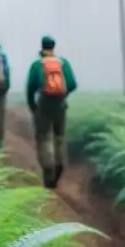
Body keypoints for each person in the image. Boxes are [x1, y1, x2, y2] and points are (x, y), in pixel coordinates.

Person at [25, 35, 77, 188]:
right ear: (54, 47)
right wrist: (63, 96)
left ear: (42, 46)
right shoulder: (63, 63)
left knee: (44, 138)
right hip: (60, 105)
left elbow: (30, 88)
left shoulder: (37, 65)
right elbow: (72, 84)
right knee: (59, 137)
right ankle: (60, 164)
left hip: (44, 104)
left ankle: (48, 169)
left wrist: (33, 106)